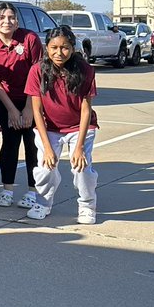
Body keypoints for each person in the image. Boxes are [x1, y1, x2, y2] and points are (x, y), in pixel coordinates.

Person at [25, 26, 100, 225]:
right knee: (45, 168)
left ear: (73, 48)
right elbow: (37, 111)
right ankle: (43, 203)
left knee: (81, 168)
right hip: (50, 129)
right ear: (47, 48)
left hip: (80, 127)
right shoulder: (37, 70)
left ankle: (87, 205)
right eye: (54, 48)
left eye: (65, 47)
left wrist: (79, 147)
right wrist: (48, 148)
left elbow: (86, 110)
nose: (59, 53)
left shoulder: (85, 70)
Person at [0, 2, 43, 209]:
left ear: (17, 21)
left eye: (11, 17)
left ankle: (33, 192)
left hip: (32, 97)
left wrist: (29, 109)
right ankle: (7, 190)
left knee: (33, 144)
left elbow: (38, 73)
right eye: (2, 17)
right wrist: (12, 110)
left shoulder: (30, 38)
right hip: (5, 99)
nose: (7, 21)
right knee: (10, 142)